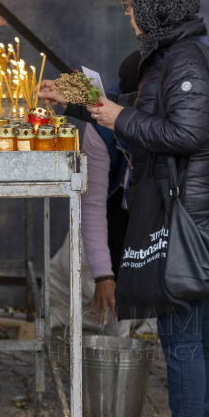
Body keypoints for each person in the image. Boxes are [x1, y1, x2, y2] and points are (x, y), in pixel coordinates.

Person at [41, 0, 209, 417]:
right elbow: (144, 108)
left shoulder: (184, 57)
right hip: (193, 209)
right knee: (197, 332)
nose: (128, 17)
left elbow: (184, 133)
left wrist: (116, 119)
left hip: (182, 215)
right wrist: (86, 104)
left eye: (131, 7)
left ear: (155, 6)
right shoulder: (180, 52)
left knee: (182, 339)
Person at [83, 51, 139, 328]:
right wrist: (104, 275)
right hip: (115, 201)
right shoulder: (100, 129)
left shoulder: (172, 118)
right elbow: (92, 203)